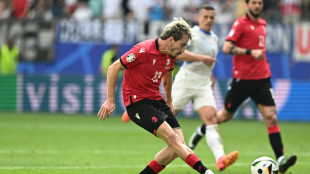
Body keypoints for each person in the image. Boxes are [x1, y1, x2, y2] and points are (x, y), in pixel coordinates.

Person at [187, 0, 297, 173]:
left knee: (271, 117)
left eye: (260, 3)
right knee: (223, 116)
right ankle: (202, 129)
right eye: (253, 3)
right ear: (247, 5)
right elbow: (227, 47)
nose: (257, 6)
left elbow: (259, 47)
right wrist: (250, 52)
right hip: (243, 80)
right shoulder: (240, 24)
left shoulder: (263, 24)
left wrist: (263, 59)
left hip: (262, 79)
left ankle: (281, 159)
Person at [97, 18, 214, 174]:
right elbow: (113, 67)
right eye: (182, 45)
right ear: (171, 40)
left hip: (157, 100)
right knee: (173, 140)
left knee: (178, 146)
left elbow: (167, 74)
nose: (183, 50)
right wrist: (110, 100)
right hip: (137, 103)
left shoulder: (170, 55)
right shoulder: (142, 50)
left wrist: (169, 100)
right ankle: (206, 172)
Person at [171, 5, 238, 171]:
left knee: (211, 120)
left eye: (212, 17)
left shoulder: (214, 38)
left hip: (203, 84)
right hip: (186, 80)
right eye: (206, 17)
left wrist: (211, 77)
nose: (209, 20)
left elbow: (208, 63)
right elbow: (178, 53)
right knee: (167, 116)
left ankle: (220, 158)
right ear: (199, 18)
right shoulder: (192, 34)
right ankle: (137, 111)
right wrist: (201, 58)